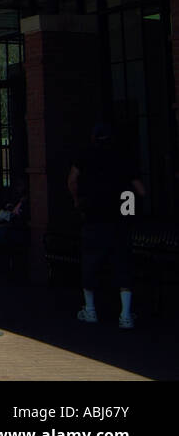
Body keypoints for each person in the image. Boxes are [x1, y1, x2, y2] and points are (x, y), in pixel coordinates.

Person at [68, 124, 146, 329]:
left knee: (90, 262)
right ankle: (126, 314)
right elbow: (140, 190)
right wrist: (130, 210)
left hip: (93, 216)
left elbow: (72, 180)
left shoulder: (85, 156)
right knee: (123, 263)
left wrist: (78, 201)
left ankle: (90, 310)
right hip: (120, 218)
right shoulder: (124, 156)